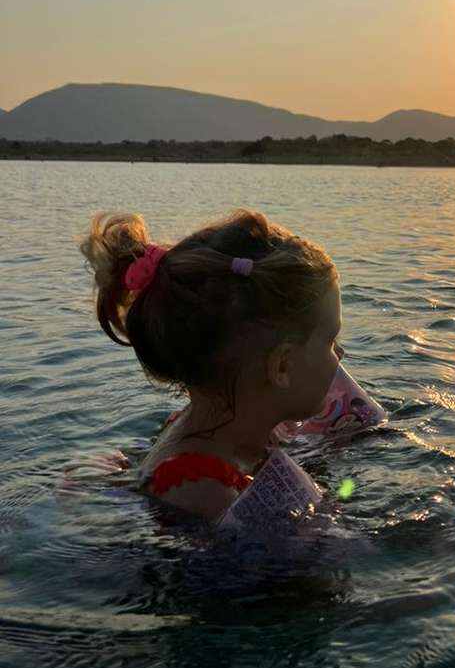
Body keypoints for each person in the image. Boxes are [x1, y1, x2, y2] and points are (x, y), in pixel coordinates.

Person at [80, 208, 344, 522]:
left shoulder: (225, 427)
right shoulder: (205, 493)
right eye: (329, 340)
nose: (340, 354)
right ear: (282, 367)